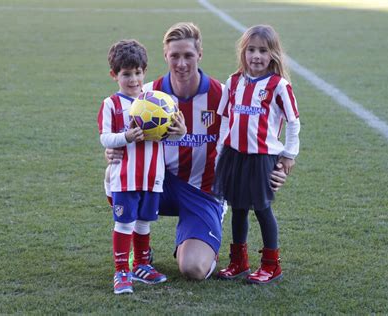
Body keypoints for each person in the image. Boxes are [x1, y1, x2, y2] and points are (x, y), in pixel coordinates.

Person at [105, 23, 288, 281]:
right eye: (175, 56)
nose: (181, 63)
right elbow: (121, 135)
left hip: (203, 191)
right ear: (165, 56)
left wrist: (277, 167)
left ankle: (199, 236)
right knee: (114, 179)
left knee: (194, 269)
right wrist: (113, 152)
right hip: (160, 184)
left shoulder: (222, 95)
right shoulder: (147, 96)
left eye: (188, 55)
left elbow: (260, 131)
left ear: (199, 55)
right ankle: (141, 251)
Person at [97, 39, 186, 294]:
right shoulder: (111, 104)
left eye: (138, 73)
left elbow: (171, 136)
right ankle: (121, 270)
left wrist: (181, 132)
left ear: (144, 72)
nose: (133, 79)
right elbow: (105, 137)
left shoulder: (158, 101)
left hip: (152, 176)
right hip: (124, 177)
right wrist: (125, 137)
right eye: (126, 74)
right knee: (124, 223)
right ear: (114, 75)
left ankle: (142, 265)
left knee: (145, 221)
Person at [214, 25, 300, 284]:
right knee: (238, 208)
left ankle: (271, 265)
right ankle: (239, 261)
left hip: (262, 157)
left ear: (273, 54)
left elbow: (293, 122)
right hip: (234, 154)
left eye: (263, 50)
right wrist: (220, 151)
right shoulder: (234, 81)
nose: (256, 56)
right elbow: (225, 119)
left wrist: (288, 155)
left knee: (262, 209)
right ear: (243, 52)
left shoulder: (278, 85)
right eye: (251, 50)